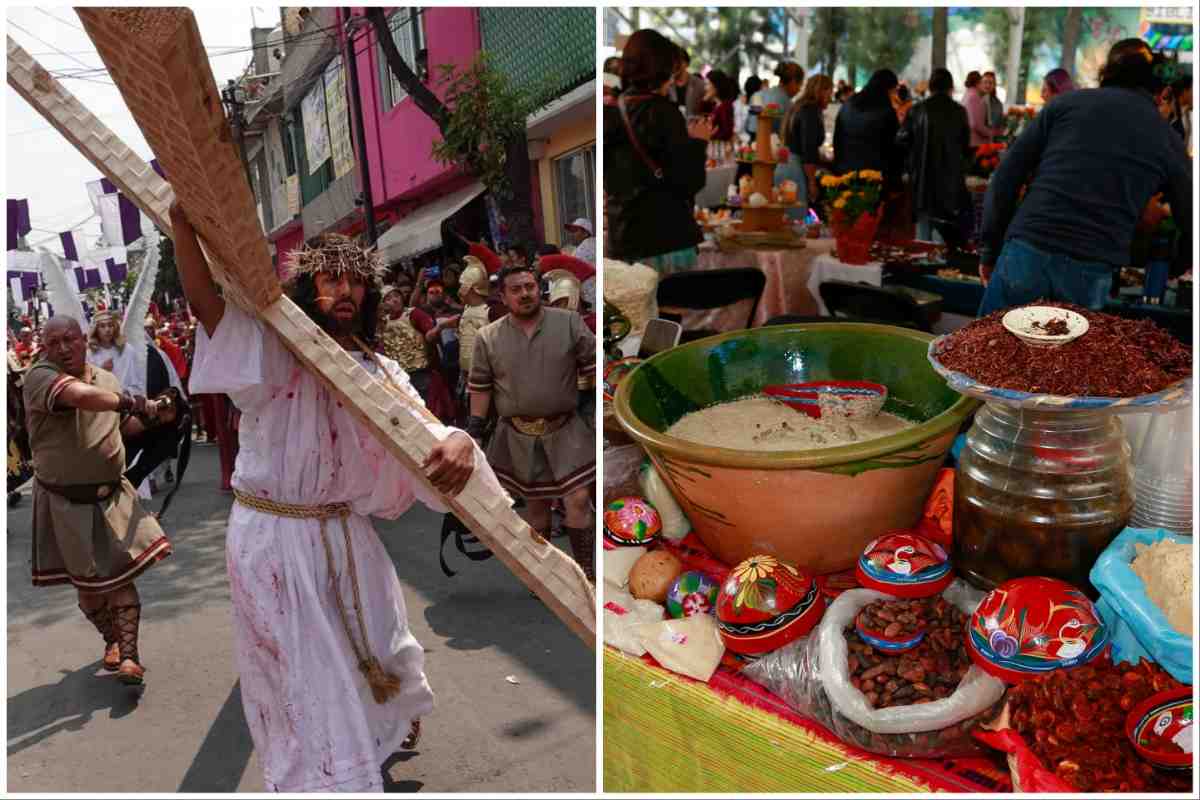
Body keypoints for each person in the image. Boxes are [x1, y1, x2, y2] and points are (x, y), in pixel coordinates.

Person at [172, 203, 493, 793]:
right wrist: (182, 223)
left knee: (379, 643)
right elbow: (207, 306)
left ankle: (373, 738)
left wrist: (459, 442)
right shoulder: (272, 351)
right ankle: (326, 778)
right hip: (274, 537)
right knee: (306, 671)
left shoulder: (379, 369)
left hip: (347, 533)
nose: (345, 291)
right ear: (308, 286)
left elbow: (426, 426)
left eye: (356, 281)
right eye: (330, 278)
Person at [978, 38, 1192, 315]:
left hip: (1027, 250)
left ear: (1105, 74)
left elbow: (1005, 177)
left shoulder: (1065, 105)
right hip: (1089, 269)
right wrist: (1175, 267)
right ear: (1160, 91)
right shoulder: (1166, 137)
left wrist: (989, 250)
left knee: (987, 352)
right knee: (1064, 359)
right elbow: (1190, 215)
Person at [24, 315, 173, 686]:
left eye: (70, 339)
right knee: (89, 590)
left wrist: (159, 417)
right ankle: (111, 640)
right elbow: (80, 398)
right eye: (54, 341)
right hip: (64, 501)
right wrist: (132, 402)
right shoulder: (40, 377)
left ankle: (129, 657)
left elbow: (120, 429)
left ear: (82, 341)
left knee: (120, 577)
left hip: (111, 496)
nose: (63, 348)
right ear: (44, 346)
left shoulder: (106, 380)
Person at [466, 266, 596, 579]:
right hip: (518, 436)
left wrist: (595, 412)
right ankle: (546, 579)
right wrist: (474, 433)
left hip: (567, 430)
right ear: (503, 296)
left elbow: (594, 365)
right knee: (537, 511)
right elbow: (481, 387)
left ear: (540, 289)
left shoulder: (568, 323)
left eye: (530, 287)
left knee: (578, 499)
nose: (525, 294)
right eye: (516, 289)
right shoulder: (488, 336)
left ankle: (587, 574)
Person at [605, 29, 711, 272]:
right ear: (661, 69)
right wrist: (699, 142)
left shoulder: (611, 113)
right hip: (664, 240)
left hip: (623, 240)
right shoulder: (663, 113)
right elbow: (689, 182)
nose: (673, 78)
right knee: (669, 308)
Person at [897, 67, 972, 249]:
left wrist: (911, 165)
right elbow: (965, 146)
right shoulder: (959, 112)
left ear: (930, 87)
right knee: (943, 239)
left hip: (923, 183)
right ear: (950, 88)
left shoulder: (916, 110)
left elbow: (901, 141)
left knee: (922, 239)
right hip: (950, 185)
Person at [377, 284, 456, 424]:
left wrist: (440, 327)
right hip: (399, 379)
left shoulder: (414, 314)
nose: (394, 300)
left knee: (432, 418)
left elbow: (429, 336)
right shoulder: (382, 324)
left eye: (396, 296)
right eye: (388, 298)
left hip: (422, 375)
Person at [833, 68, 904, 183]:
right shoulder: (885, 111)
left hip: (845, 174)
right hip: (873, 178)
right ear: (888, 90)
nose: (894, 96)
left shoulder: (848, 104)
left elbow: (837, 139)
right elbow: (893, 148)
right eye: (893, 91)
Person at [784, 73, 834, 212]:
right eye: (829, 93)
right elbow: (808, 149)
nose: (830, 99)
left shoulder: (799, 106)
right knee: (797, 219)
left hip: (788, 165)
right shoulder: (810, 111)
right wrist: (812, 182)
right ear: (821, 91)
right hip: (797, 169)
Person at [87, 310, 142, 393]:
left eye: (110, 325)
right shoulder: (90, 354)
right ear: (96, 329)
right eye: (102, 326)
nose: (107, 330)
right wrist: (102, 372)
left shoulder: (127, 350)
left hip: (127, 399)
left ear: (115, 327)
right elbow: (87, 386)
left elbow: (137, 381)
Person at [749, 62, 805, 137]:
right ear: (793, 82)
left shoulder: (757, 95)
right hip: (771, 146)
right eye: (800, 85)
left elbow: (751, 126)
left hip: (751, 145)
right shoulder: (787, 104)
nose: (799, 90)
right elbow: (788, 134)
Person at [670, 45, 707, 117]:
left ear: (686, 64)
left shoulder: (699, 84)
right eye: (672, 62)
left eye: (678, 62)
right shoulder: (666, 85)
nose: (675, 65)